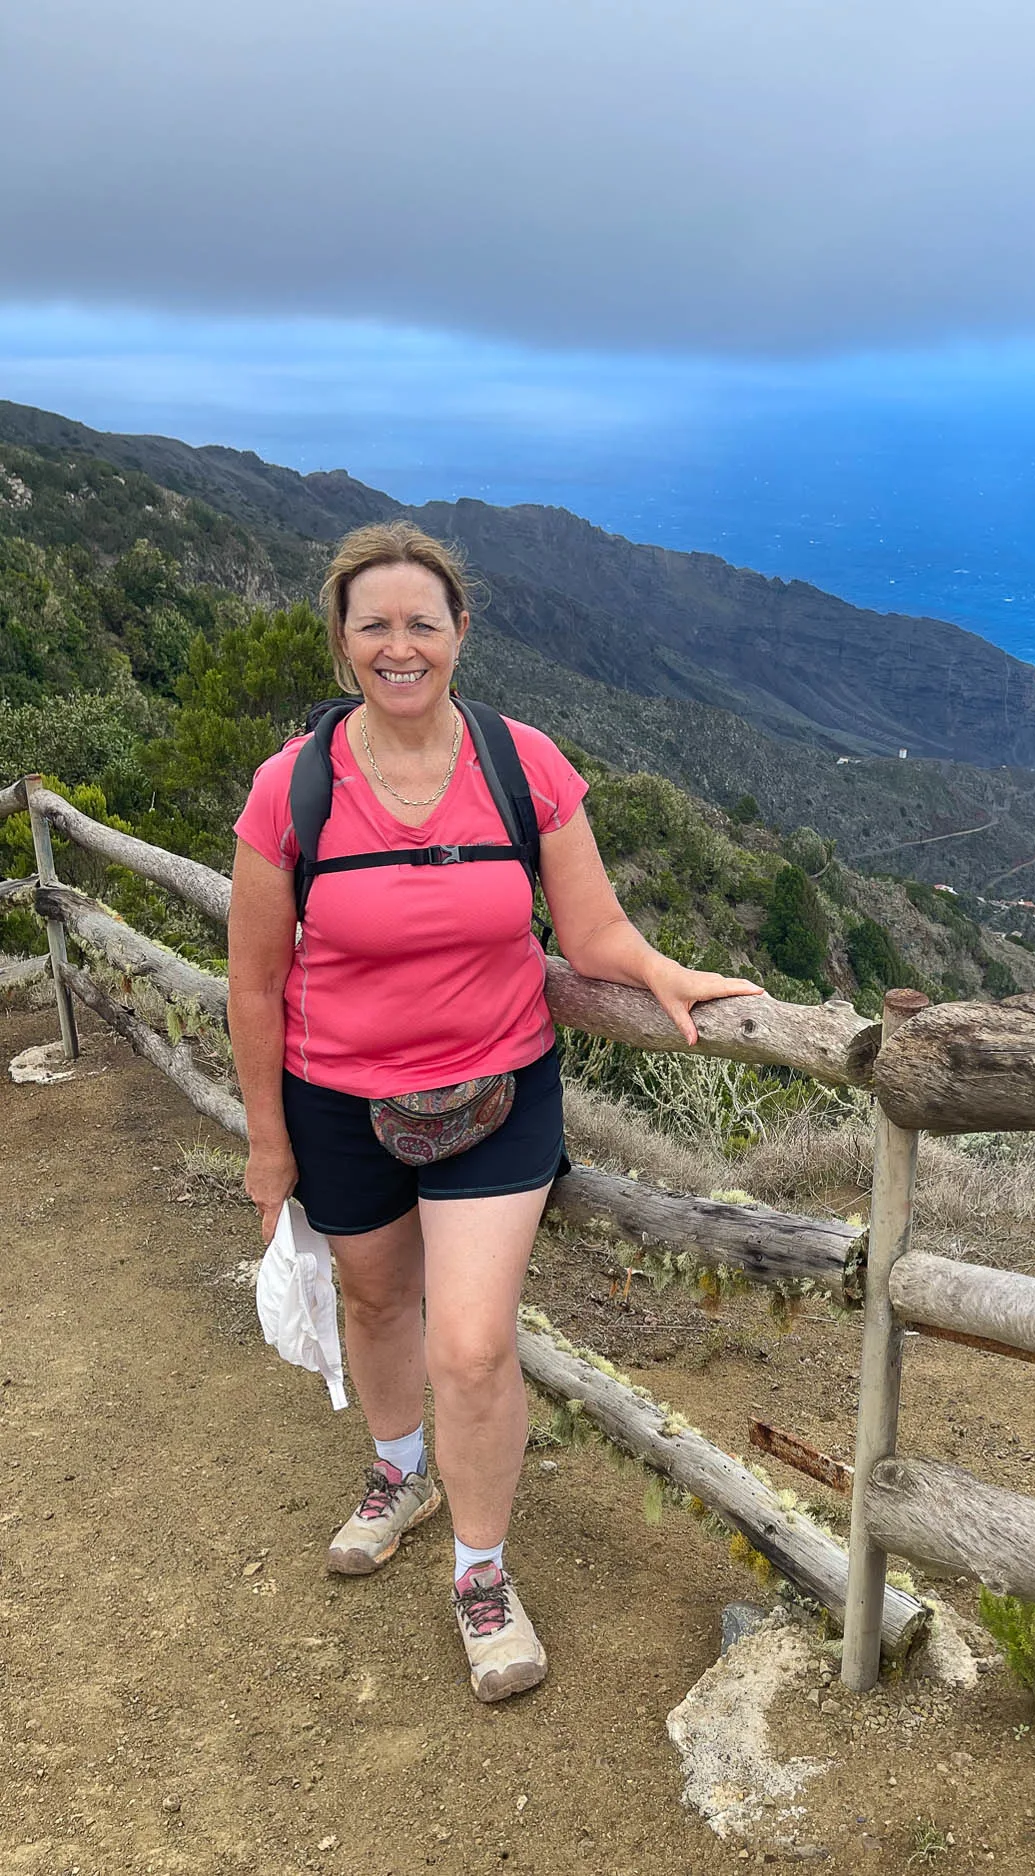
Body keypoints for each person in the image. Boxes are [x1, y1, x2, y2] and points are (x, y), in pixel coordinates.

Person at [227, 521, 763, 1701]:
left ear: (461, 632)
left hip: (496, 1090)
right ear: (342, 640)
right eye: (375, 624)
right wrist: (269, 1143)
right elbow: (255, 981)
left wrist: (662, 972)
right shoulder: (291, 788)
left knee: (469, 1343)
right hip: (334, 1098)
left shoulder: (523, 764)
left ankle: (481, 1570)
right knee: (377, 1301)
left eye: (423, 623)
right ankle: (398, 1468)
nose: (400, 646)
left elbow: (592, 930)